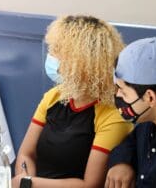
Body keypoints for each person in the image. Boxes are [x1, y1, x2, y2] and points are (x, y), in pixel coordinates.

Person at [12, 15, 133, 188]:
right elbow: (26, 153)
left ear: (82, 62)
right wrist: (25, 178)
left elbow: (90, 184)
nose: (51, 56)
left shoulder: (112, 114)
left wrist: (29, 183)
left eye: (57, 51)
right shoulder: (54, 96)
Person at [105, 37, 156, 188]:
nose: (117, 95)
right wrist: (122, 162)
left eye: (123, 92)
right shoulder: (148, 124)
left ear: (150, 97)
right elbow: (129, 143)